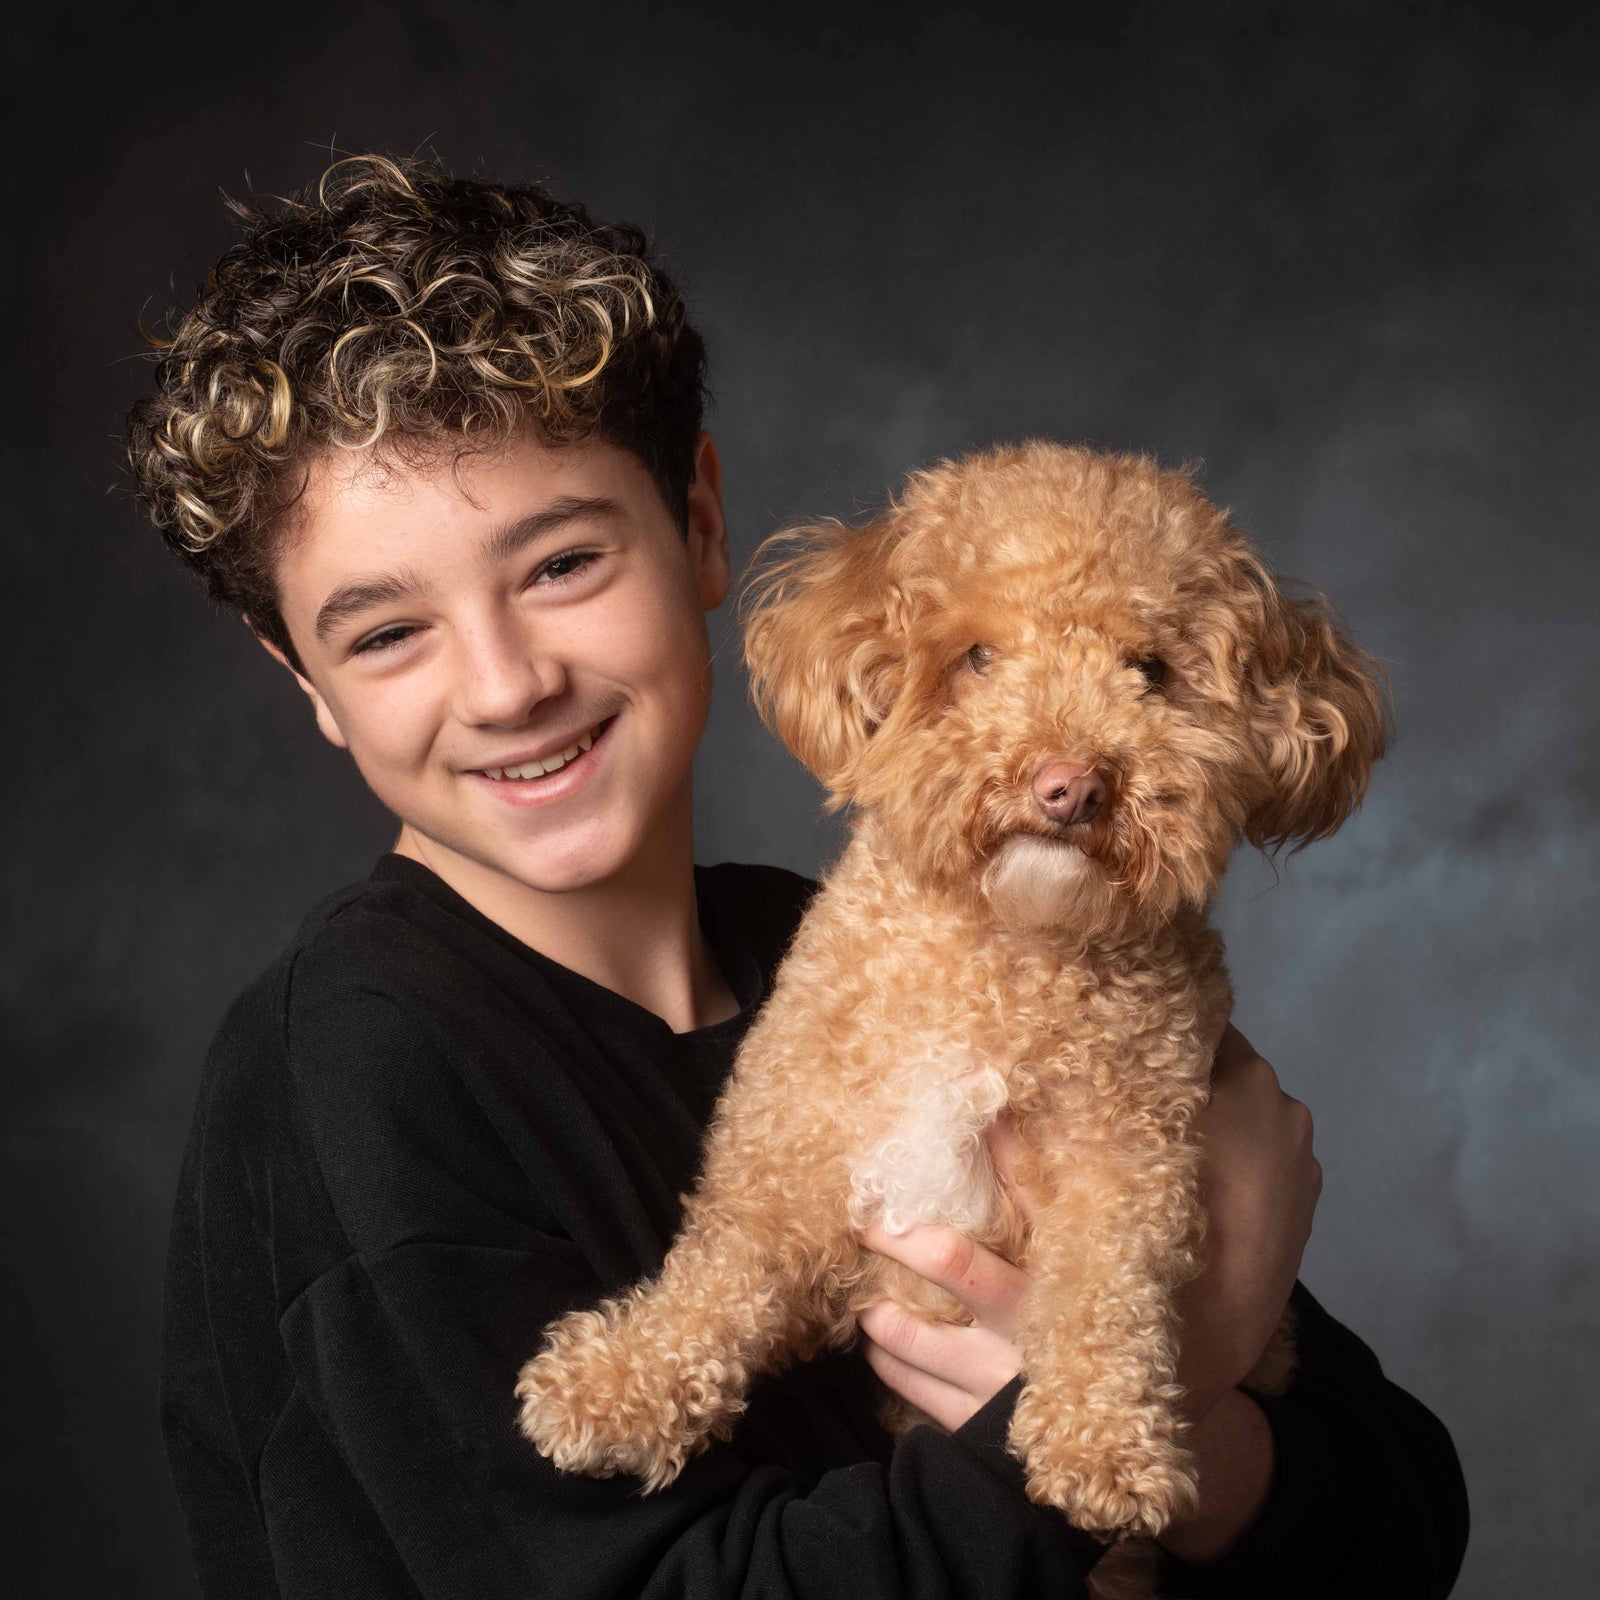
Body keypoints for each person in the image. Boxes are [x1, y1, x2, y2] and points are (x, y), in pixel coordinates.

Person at [128, 154, 1469, 1598]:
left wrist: (1196, 1421)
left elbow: (1398, 1519)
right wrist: (1168, 1361)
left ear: (699, 524)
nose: (507, 684)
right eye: (387, 634)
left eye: (563, 563)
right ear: (304, 678)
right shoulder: (351, 1071)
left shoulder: (880, 936)